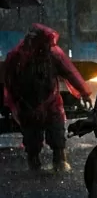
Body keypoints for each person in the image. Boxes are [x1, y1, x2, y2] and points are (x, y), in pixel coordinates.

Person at [2, 24, 92, 171]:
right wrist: (16, 103)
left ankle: (59, 163)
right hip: (27, 105)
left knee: (57, 137)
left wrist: (84, 93)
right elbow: (10, 82)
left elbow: (70, 73)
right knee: (32, 142)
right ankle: (35, 165)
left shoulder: (53, 54)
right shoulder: (17, 57)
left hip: (50, 103)